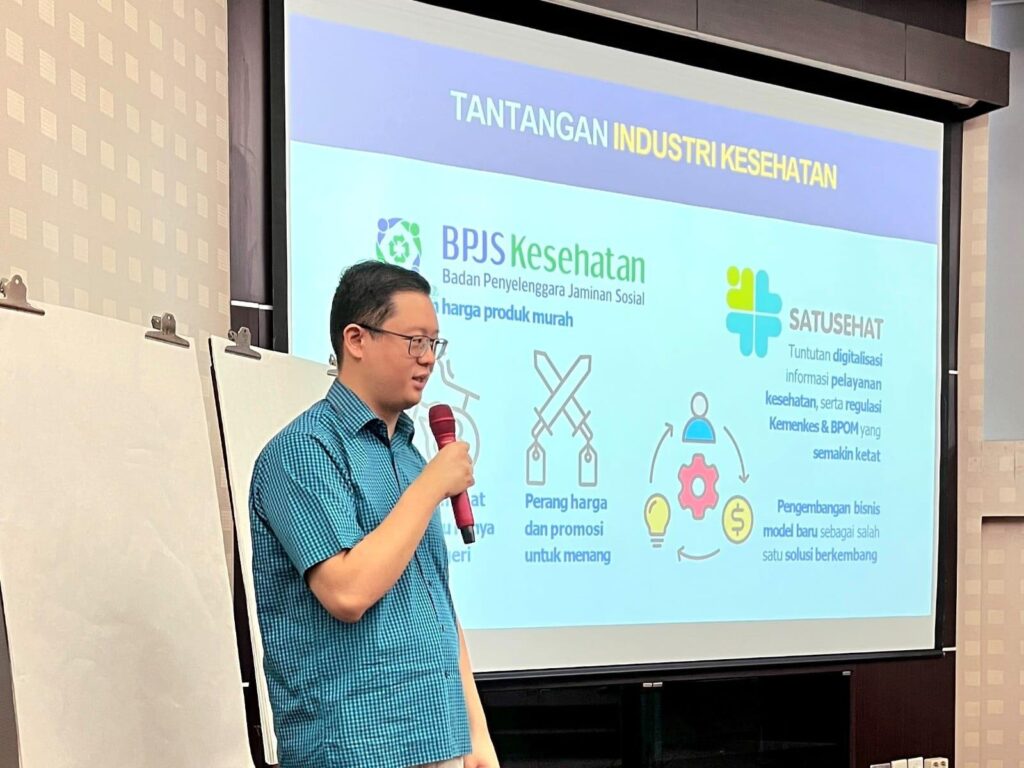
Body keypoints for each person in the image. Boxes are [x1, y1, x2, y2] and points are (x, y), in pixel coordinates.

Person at [249, 260, 499, 768]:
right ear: (356, 340)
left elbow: (438, 604)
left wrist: (477, 734)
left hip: (441, 737)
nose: (428, 358)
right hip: (356, 748)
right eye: (415, 341)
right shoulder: (302, 451)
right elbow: (347, 592)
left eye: (434, 343)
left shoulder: (409, 456)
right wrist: (431, 487)